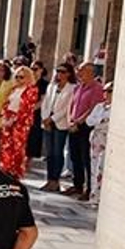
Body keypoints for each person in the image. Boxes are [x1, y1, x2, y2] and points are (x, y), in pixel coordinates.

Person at [65, 62, 103, 201]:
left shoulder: (97, 88)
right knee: (75, 156)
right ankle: (77, 184)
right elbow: (72, 104)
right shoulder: (78, 87)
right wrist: (70, 119)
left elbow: (93, 108)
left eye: (82, 70)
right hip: (73, 125)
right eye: (79, 70)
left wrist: (79, 122)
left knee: (85, 157)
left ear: (90, 72)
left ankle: (89, 188)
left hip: (85, 127)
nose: (79, 72)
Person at [0, 66, 40, 179]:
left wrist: (14, 119)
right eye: (16, 76)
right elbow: (6, 103)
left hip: (21, 121)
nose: (19, 79)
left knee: (18, 147)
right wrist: (5, 117)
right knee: (6, 145)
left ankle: (16, 171)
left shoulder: (31, 89)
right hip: (8, 118)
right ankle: (6, 168)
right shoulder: (13, 89)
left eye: (21, 77)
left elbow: (27, 107)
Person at [39, 63, 74, 193]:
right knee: (49, 153)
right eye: (58, 71)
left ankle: (55, 180)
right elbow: (46, 103)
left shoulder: (72, 88)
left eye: (63, 71)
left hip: (60, 123)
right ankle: (49, 179)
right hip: (47, 123)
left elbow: (66, 108)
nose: (60, 74)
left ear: (69, 73)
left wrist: (52, 119)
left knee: (57, 153)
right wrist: (45, 118)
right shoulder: (52, 86)